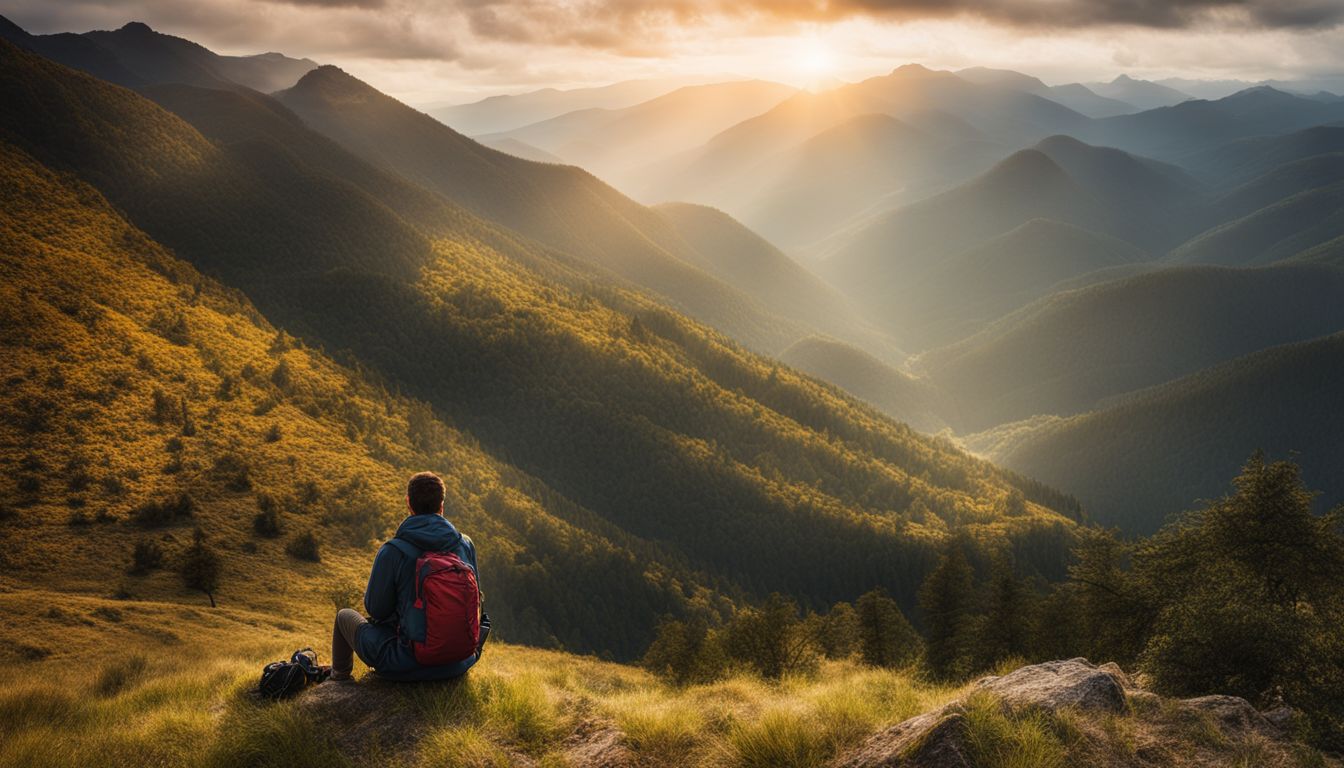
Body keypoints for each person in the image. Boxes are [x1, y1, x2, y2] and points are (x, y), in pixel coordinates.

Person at [331, 471, 486, 681]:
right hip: (461, 660)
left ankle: (338, 681)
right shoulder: (464, 544)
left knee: (344, 617)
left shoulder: (392, 551)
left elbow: (376, 609)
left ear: (408, 504)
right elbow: (477, 604)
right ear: (441, 505)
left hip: (407, 663)